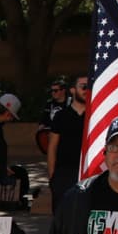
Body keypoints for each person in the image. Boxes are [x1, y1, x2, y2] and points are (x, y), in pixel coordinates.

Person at [47, 76, 89, 204]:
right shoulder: (61, 116)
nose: (87, 90)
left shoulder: (95, 117)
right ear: (72, 90)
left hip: (88, 172)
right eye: (83, 86)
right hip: (64, 173)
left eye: (90, 87)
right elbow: (52, 147)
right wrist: (52, 177)